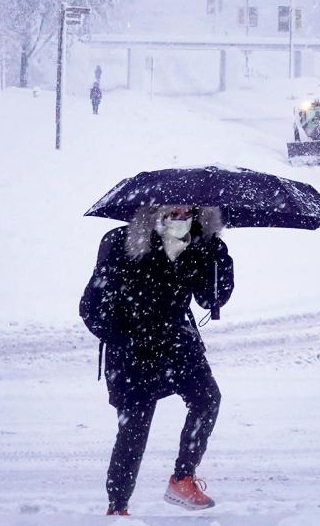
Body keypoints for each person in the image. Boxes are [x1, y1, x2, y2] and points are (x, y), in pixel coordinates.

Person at [79, 205, 233, 516]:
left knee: (207, 399)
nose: (180, 217)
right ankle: (117, 507)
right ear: (153, 211)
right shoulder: (124, 243)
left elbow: (210, 299)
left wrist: (218, 256)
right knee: (134, 430)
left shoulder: (200, 245)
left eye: (186, 210)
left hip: (178, 343)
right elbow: (91, 306)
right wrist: (125, 336)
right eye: (171, 210)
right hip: (134, 351)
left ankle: (183, 478)